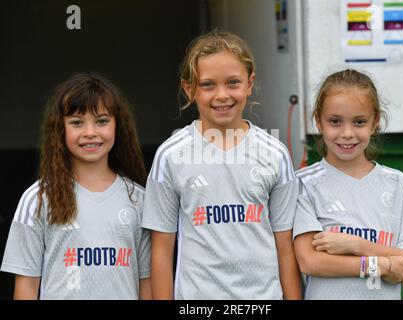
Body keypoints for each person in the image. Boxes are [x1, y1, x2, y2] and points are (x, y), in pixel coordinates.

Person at [143, 30, 301, 299]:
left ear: (249, 84)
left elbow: (285, 248)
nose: (222, 95)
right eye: (207, 85)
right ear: (188, 89)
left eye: (233, 83)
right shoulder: (171, 155)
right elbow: (161, 251)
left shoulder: (275, 154)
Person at [1, 73, 151, 300]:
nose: (90, 132)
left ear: (117, 126)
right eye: (77, 122)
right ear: (61, 129)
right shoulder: (38, 199)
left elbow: (147, 284)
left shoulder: (139, 199)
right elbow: (26, 287)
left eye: (101, 121)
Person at [293, 69, 403, 299]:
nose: (347, 133)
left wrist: (355, 245)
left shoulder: (397, 184)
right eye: (335, 121)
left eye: (359, 122)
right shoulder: (303, 183)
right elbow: (310, 262)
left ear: (375, 122)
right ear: (318, 121)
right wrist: (382, 266)